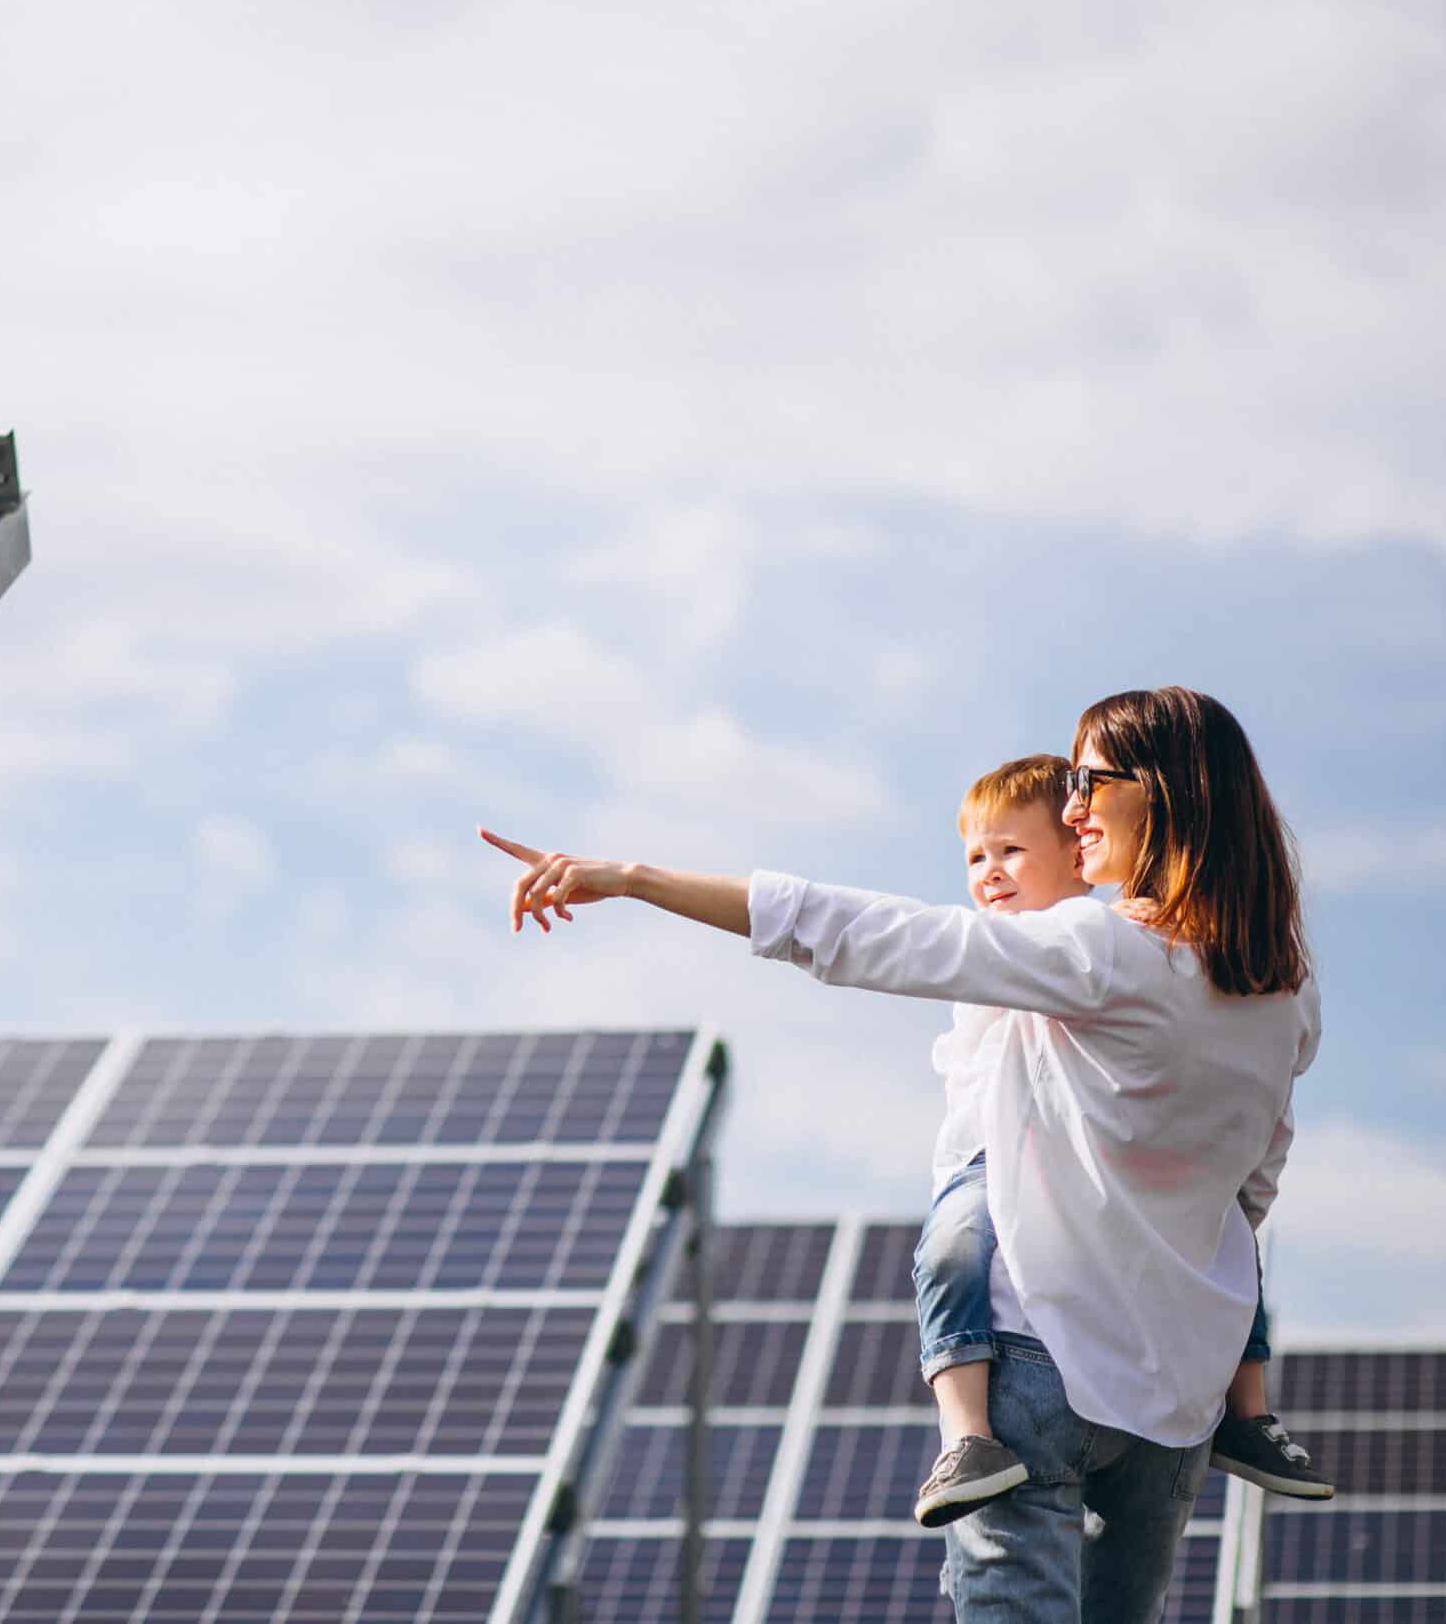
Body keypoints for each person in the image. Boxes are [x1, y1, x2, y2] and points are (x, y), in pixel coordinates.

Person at [481, 687, 1321, 1620]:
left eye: (1089, 781)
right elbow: (1255, 1178)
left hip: (1045, 1354)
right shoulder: (1284, 988)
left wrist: (635, 877)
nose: (1073, 805)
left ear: (1162, 794)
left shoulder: (1099, 949)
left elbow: (871, 934)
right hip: (1180, 1396)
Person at [909, 752, 1331, 1532]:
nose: (989, 871)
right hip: (993, 1155)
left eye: (1010, 850)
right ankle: (966, 1431)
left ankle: (1250, 1413)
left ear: (1076, 854)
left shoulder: (1100, 940)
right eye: (975, 854)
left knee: (1228, 1243)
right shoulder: (996, 949)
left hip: (1103, 1158)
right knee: (949, 1245)